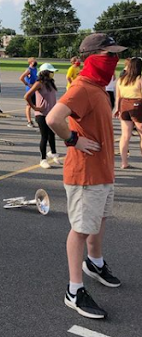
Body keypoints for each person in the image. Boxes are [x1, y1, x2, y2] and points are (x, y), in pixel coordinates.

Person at [47, 33, 126, 320]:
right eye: (108, 55)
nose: (114, 60)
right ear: (93, 57)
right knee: (80, 229)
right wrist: (72, 141)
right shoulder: (81, 87)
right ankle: (73, 290)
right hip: (85, 174)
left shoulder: (99, 88)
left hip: (103, 171)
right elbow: (53, 118)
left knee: (98, 221)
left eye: (115, 54)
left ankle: (94, 263)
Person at [24, 63, 60, 169]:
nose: (53, 74)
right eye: (51, 72)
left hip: (51, 113)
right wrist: (35, 107)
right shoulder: (39, 83)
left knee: (52, 134)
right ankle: (43, 159)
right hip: (42, 114)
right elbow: (27, 96)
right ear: (45, 72)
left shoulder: (51, 83)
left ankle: (53, 153)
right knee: (44, 136)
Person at [115, 57, 142, 170]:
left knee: (125, 136)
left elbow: (118, 96)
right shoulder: (140, 79)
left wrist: (117, 108)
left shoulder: (121, 79)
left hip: (124, 105)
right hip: (137, 105)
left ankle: (124, 162)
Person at [19, 57, 38, 127]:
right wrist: (27, 84)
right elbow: (21, 77)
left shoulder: (35, 69)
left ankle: (37, 118)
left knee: (36, 104)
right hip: (30, 89)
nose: (35, 62)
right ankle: (29, 121)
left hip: (35, 88)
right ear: (30, 62)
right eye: (34, 61)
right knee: (29, 105)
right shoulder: (28, 70)